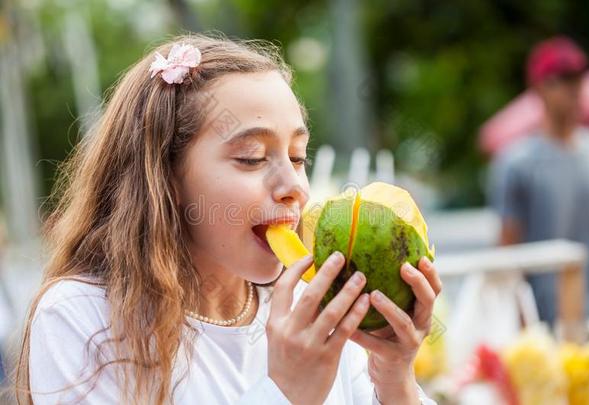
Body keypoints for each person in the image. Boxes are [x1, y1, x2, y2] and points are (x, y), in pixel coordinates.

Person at [12, 34, 441, 404]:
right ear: (166, 179)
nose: (293, 185)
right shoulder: (83, 317)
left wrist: (393, 375)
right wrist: (287, 390)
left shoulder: (309, 308)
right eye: (252, 158)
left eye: (298, 156)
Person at [489, 36, 589, 325]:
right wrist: (520, 325)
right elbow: (508, 251)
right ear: (540, 88)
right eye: (565, 79)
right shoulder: (516, 163)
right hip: (542, 320)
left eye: (579, 78)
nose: (576, 89)